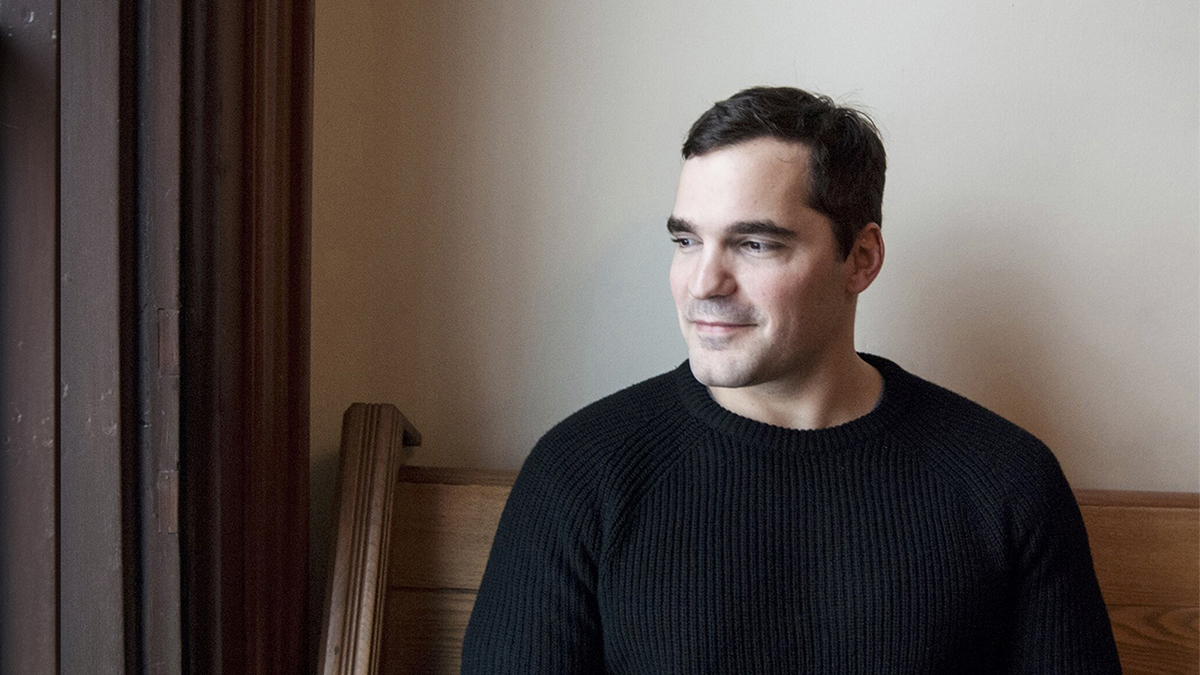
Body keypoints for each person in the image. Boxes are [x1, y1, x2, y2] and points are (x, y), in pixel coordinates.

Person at [460, 86, 1120, 674]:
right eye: (687, 241)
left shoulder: (1006, 480)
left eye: (755, 244)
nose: (703, 284)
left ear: (860, 258)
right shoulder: (580, 472)